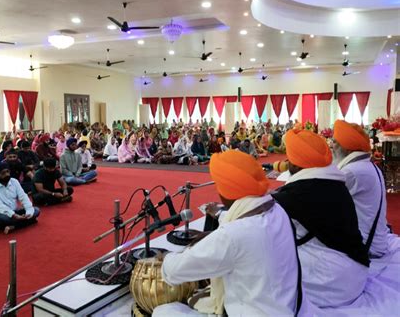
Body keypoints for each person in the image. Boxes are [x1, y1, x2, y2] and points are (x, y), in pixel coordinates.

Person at [154, 151, 301, 316]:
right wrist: (212, 234)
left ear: (227, 189)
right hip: (286, 306)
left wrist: (165, 258)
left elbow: (174, 271)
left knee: (162, 311)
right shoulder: (276, 209)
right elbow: (245, 227)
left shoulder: (232, 235)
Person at [271, 129, 369, 308]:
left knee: (261, 256)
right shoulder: (333, 182)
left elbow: (260, 219)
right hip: (356, 272)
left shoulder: (299, 193)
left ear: (295, 164)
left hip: (335, 283)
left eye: (289, 158)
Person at [332, 120, 389, 258]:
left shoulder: (352, 171)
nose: (331, 146)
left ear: (346, 147)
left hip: (366, 245)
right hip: (375, 240)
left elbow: (325, 199)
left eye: (334, 142)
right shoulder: (366, 166)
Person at [0, 163, 40, 234]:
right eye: (3, 173)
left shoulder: (14, 181)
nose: (7, 174)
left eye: (7, 172)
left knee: (36, 210)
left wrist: (29, 213)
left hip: (13, 212)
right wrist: (14, 215)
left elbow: (23, 197)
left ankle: (14, 226)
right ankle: (30, 221)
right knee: (4, 219)